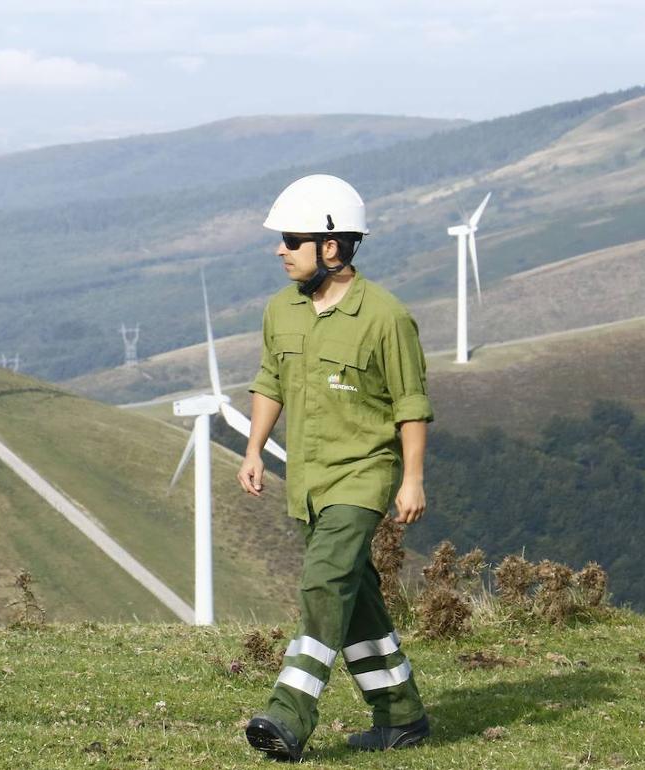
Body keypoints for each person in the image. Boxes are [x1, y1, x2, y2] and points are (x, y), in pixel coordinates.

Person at [236, 174, 433, 761]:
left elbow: (411, 404)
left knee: (324, 584)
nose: (278, 250)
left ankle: (289, 713)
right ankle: (402, 716)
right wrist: (253, 448)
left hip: (362, 476)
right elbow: (271, 381)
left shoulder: (386, 317)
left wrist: (413, 478)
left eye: (290, 240)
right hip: (308, 482)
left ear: (332, 247)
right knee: (356, 597)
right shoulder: (280, 311)